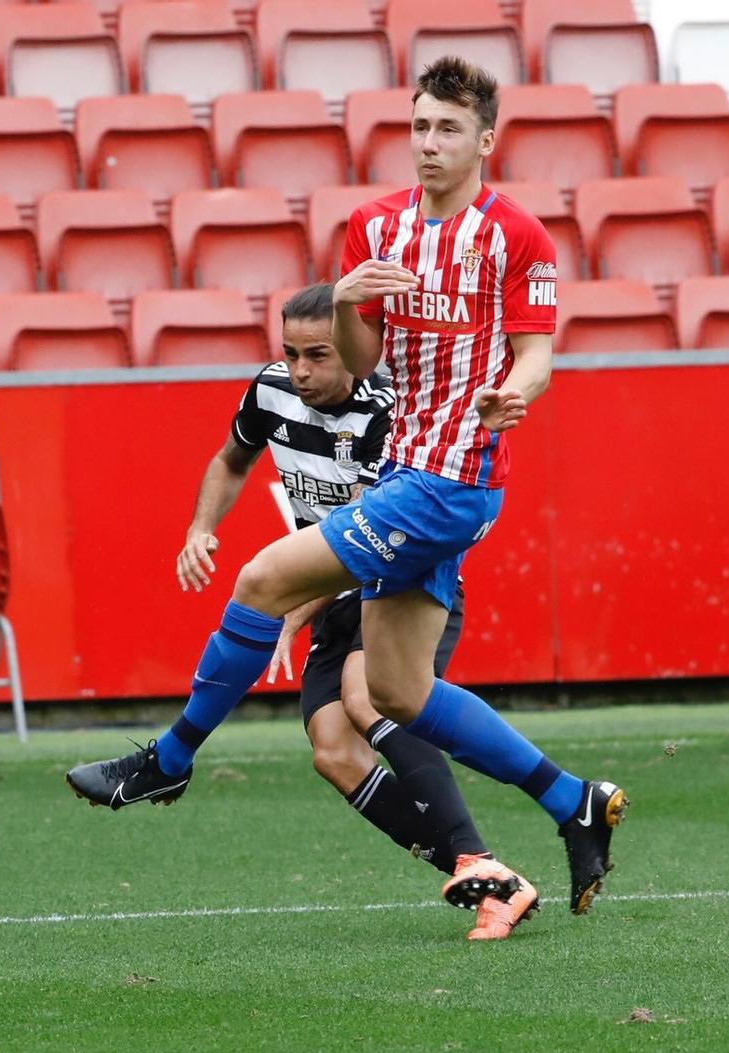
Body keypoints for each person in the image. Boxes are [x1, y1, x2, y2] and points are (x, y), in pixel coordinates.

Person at [68, 57, 628, 917]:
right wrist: (348, 307)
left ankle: (168, 763)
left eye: (447, 129)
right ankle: (572, 801)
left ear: (485, 140)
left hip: (453, 478)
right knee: (400, 694)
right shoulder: (372, 228)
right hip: (412, 469)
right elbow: (362, 363)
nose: (429, 145)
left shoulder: (519, 237)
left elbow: (538, 352)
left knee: (260, 580)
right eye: (419, 127)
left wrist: (516, 393)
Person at [176, 283, 538, 939]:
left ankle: (483, 857)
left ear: (354, 350)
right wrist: (201, 527)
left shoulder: (388, 414)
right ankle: (490, 872)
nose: (300, 371)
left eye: (317, 354)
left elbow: (363, 541)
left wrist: (286, 604)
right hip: (327, 594)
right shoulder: (271, 392)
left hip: (398, 583)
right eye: (290, 354)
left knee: (368, 696)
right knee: (334, 752)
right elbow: (232, 459)